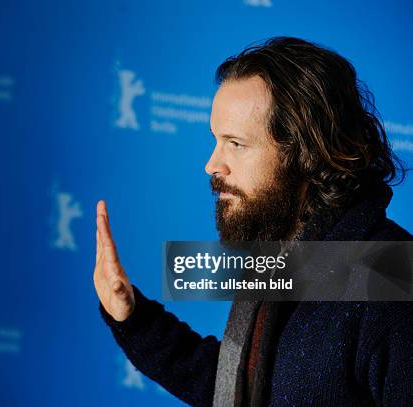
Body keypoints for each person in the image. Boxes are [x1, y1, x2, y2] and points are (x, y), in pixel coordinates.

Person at [93, 37, 413, 406]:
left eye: (236, 144)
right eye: (216, 140)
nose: (212, 165)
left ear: (307, 153)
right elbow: (247, 387)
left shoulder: (392, 286)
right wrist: (131, 316)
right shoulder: (289, 254)